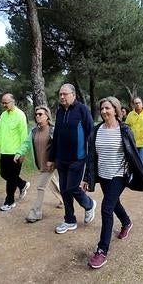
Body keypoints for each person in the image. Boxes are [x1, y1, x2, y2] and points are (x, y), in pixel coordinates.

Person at [83, 97, 143, 269]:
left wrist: (135, 173)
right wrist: (86, 177)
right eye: (102, 108)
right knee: (114, 204)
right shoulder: (96, 130)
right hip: (103, 175)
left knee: (106, 208)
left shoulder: (124, 130)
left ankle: (102, 250)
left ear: (116, 110)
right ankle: (127, 222)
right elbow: (91, 156)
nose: (104, 111)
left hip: (119, 175)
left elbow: (132, 154)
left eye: (107, 108)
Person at [47, 83, 96, 234]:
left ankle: (89, 204)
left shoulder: (82, 110)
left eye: (65, 94)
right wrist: (51, 158)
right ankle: (69, 220)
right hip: (61, 159)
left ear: (73, 95)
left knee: (73, 187)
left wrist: (91, 157)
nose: (62, 97)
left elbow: (91, 133)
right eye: (60, 94)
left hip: (78, 158)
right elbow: (56, 137)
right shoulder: (60, 111)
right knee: (64, 189)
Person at [14, 106, 64, 223]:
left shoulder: (53, 130)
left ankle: (36, 212)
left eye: (40, 114)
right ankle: (65, 199)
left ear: (47, 116)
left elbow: (60, 145)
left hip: (50, 164)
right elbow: (26, 144)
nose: (37, 116)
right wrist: (19, 153)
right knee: (52, 183)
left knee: (40, 187)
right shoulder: (34, 131)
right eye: (36, 114)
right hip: (40, 163)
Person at [0, 93, 30, 212]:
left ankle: (9, 201)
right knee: (4, 174)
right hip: (5, 152)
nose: (4, 105)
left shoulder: (20, 115)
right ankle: (22, 184)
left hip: (16, 153)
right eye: (3, 103)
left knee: (11, 178)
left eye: (6, 102)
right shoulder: (3, 115)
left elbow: (24, 135)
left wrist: (22, 152)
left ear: (13, 102)